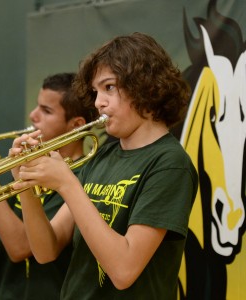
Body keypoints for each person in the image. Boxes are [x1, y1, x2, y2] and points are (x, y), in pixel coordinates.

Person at [11, 32, 199, 299]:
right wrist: (25, 185)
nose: (99, 102)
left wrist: (67, 184)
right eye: (96, 91)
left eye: (109, 87)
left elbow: (123, 271)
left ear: (144, 85)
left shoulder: (170, 163)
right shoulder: (103, 154)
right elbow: (45, 251)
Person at [0, 73, 99, 299]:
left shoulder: (84, 176)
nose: (33, 115)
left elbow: (21, 249)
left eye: (46, 111)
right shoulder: (34, 165)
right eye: (37, 106)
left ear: (77, 125)